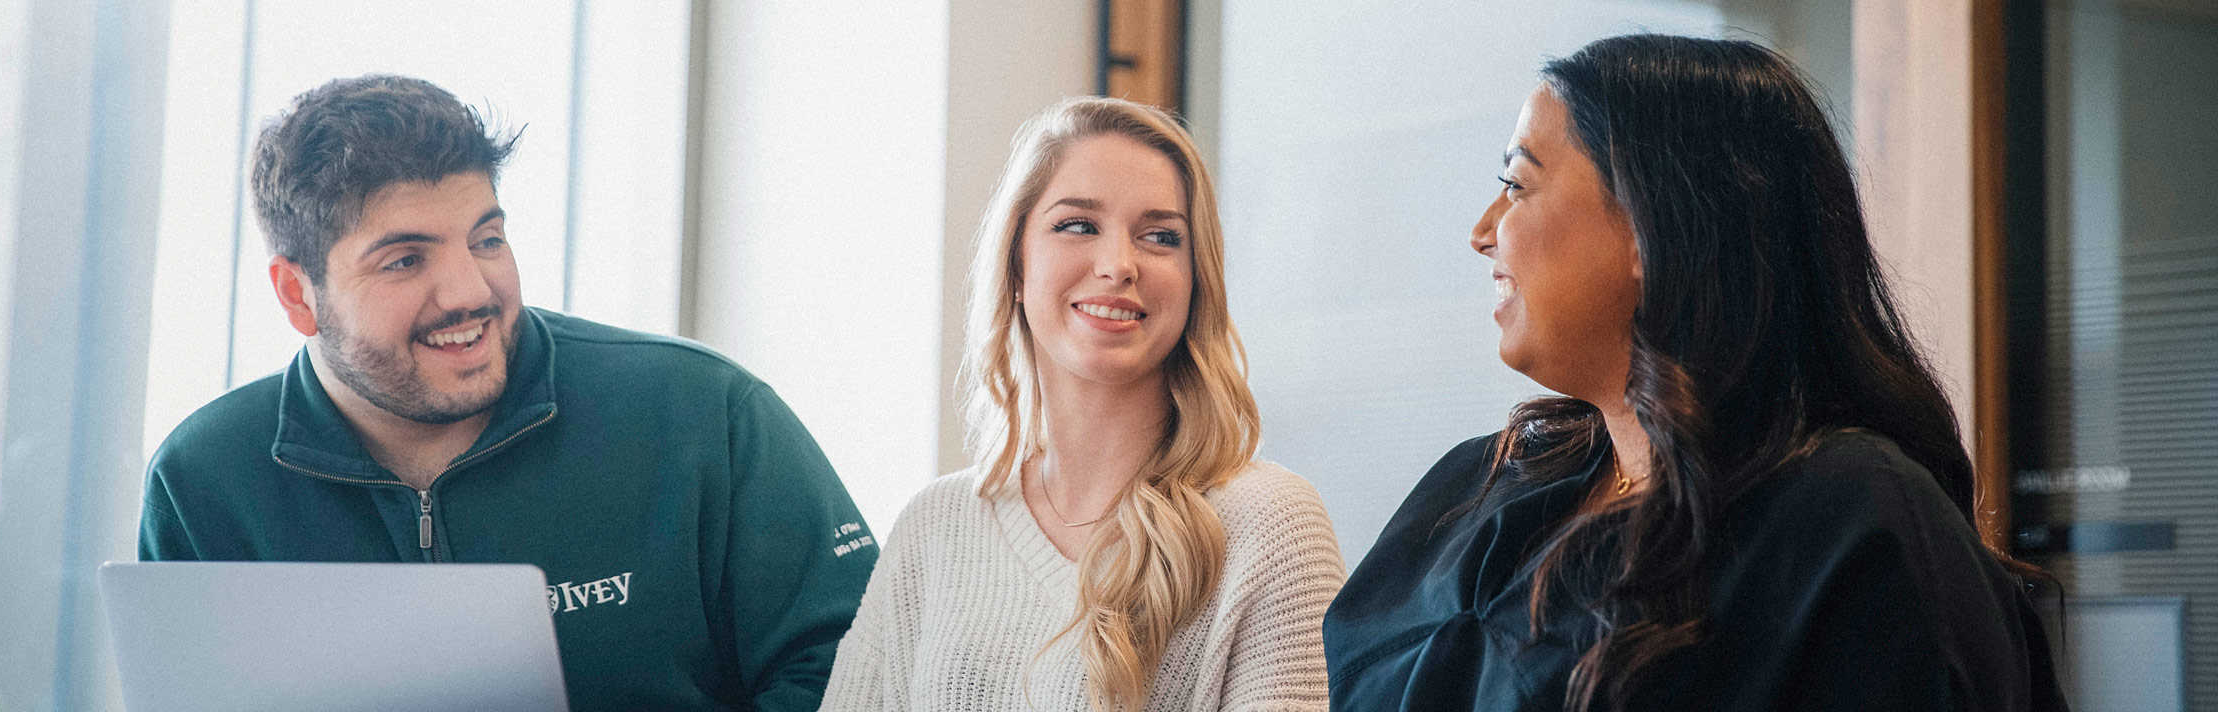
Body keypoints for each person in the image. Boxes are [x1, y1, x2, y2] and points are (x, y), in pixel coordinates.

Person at [1321, 35, 2067, 712]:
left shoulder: (1851, 519)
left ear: (1651, 226)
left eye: (1517, 185)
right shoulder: (1491, 478)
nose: (1483, 232)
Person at [138, 75, 877, 710]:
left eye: (486, 239)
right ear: (298, 295)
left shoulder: (704, 413)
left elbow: (864, 671)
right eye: (404, 260)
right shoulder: (205, 479)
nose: (469, 292)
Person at [819, 97, 1347, 711]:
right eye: (1078, 225)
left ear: (1196, 279)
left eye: (1160, 237)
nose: (1119, 265)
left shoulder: (1271, 524)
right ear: (1016, 264)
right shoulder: (935, 527)